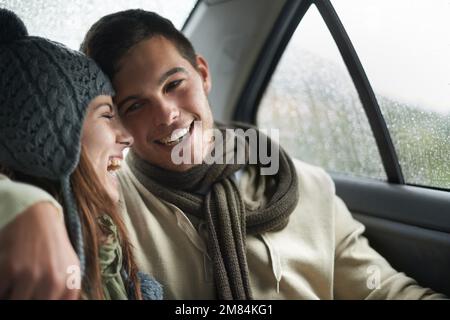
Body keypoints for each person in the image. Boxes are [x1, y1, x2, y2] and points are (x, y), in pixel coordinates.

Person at [1, 9, 446, 299]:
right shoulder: (108, 204)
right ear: (116, 121)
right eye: (135, 106)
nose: (168, 115)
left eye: (174, 85)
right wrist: (25, 205)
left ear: (203, 74)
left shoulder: (304, 185)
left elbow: (381, 289)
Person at [0, 9, 162, 300]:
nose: (128, 137)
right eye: (106, 114)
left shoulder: (113, 257)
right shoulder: (27, 272)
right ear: (49, 136)